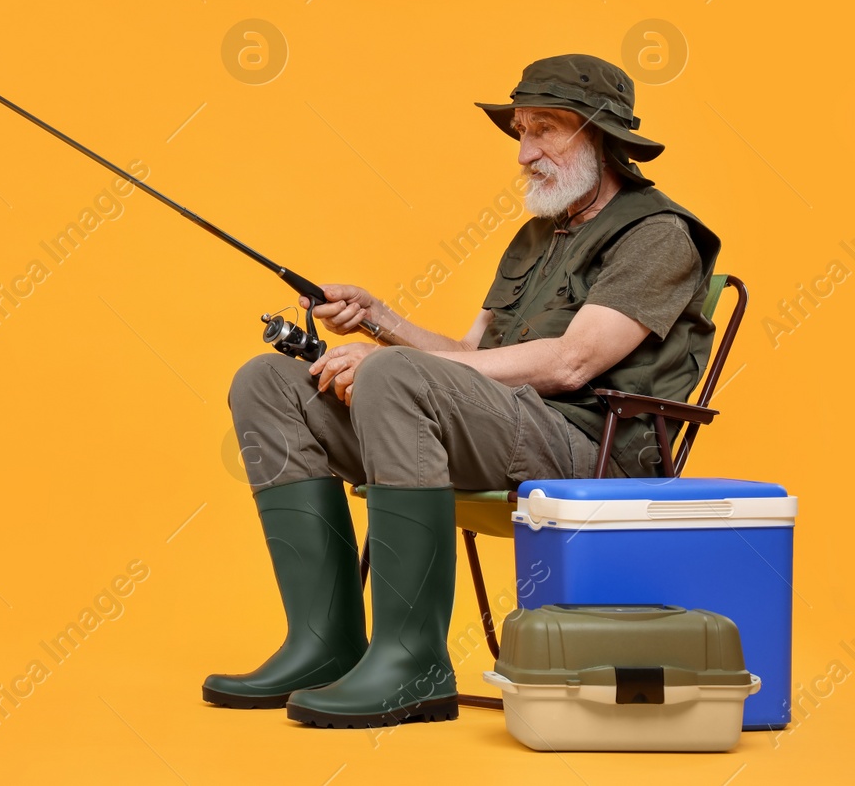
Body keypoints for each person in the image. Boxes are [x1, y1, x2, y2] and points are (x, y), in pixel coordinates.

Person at [203, 54, 720, 728]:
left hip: (588, 451)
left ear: (600, 136)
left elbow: (569, 362)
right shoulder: (537, 236)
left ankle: (412, 662)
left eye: (544, 130)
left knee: (390, 377)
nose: (524, 151)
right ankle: (323, 644)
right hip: (500, 428)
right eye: (520, 131)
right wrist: (379, 318)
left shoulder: (657, 234)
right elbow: (472, 359)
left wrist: (391, 369)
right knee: (268, 382)